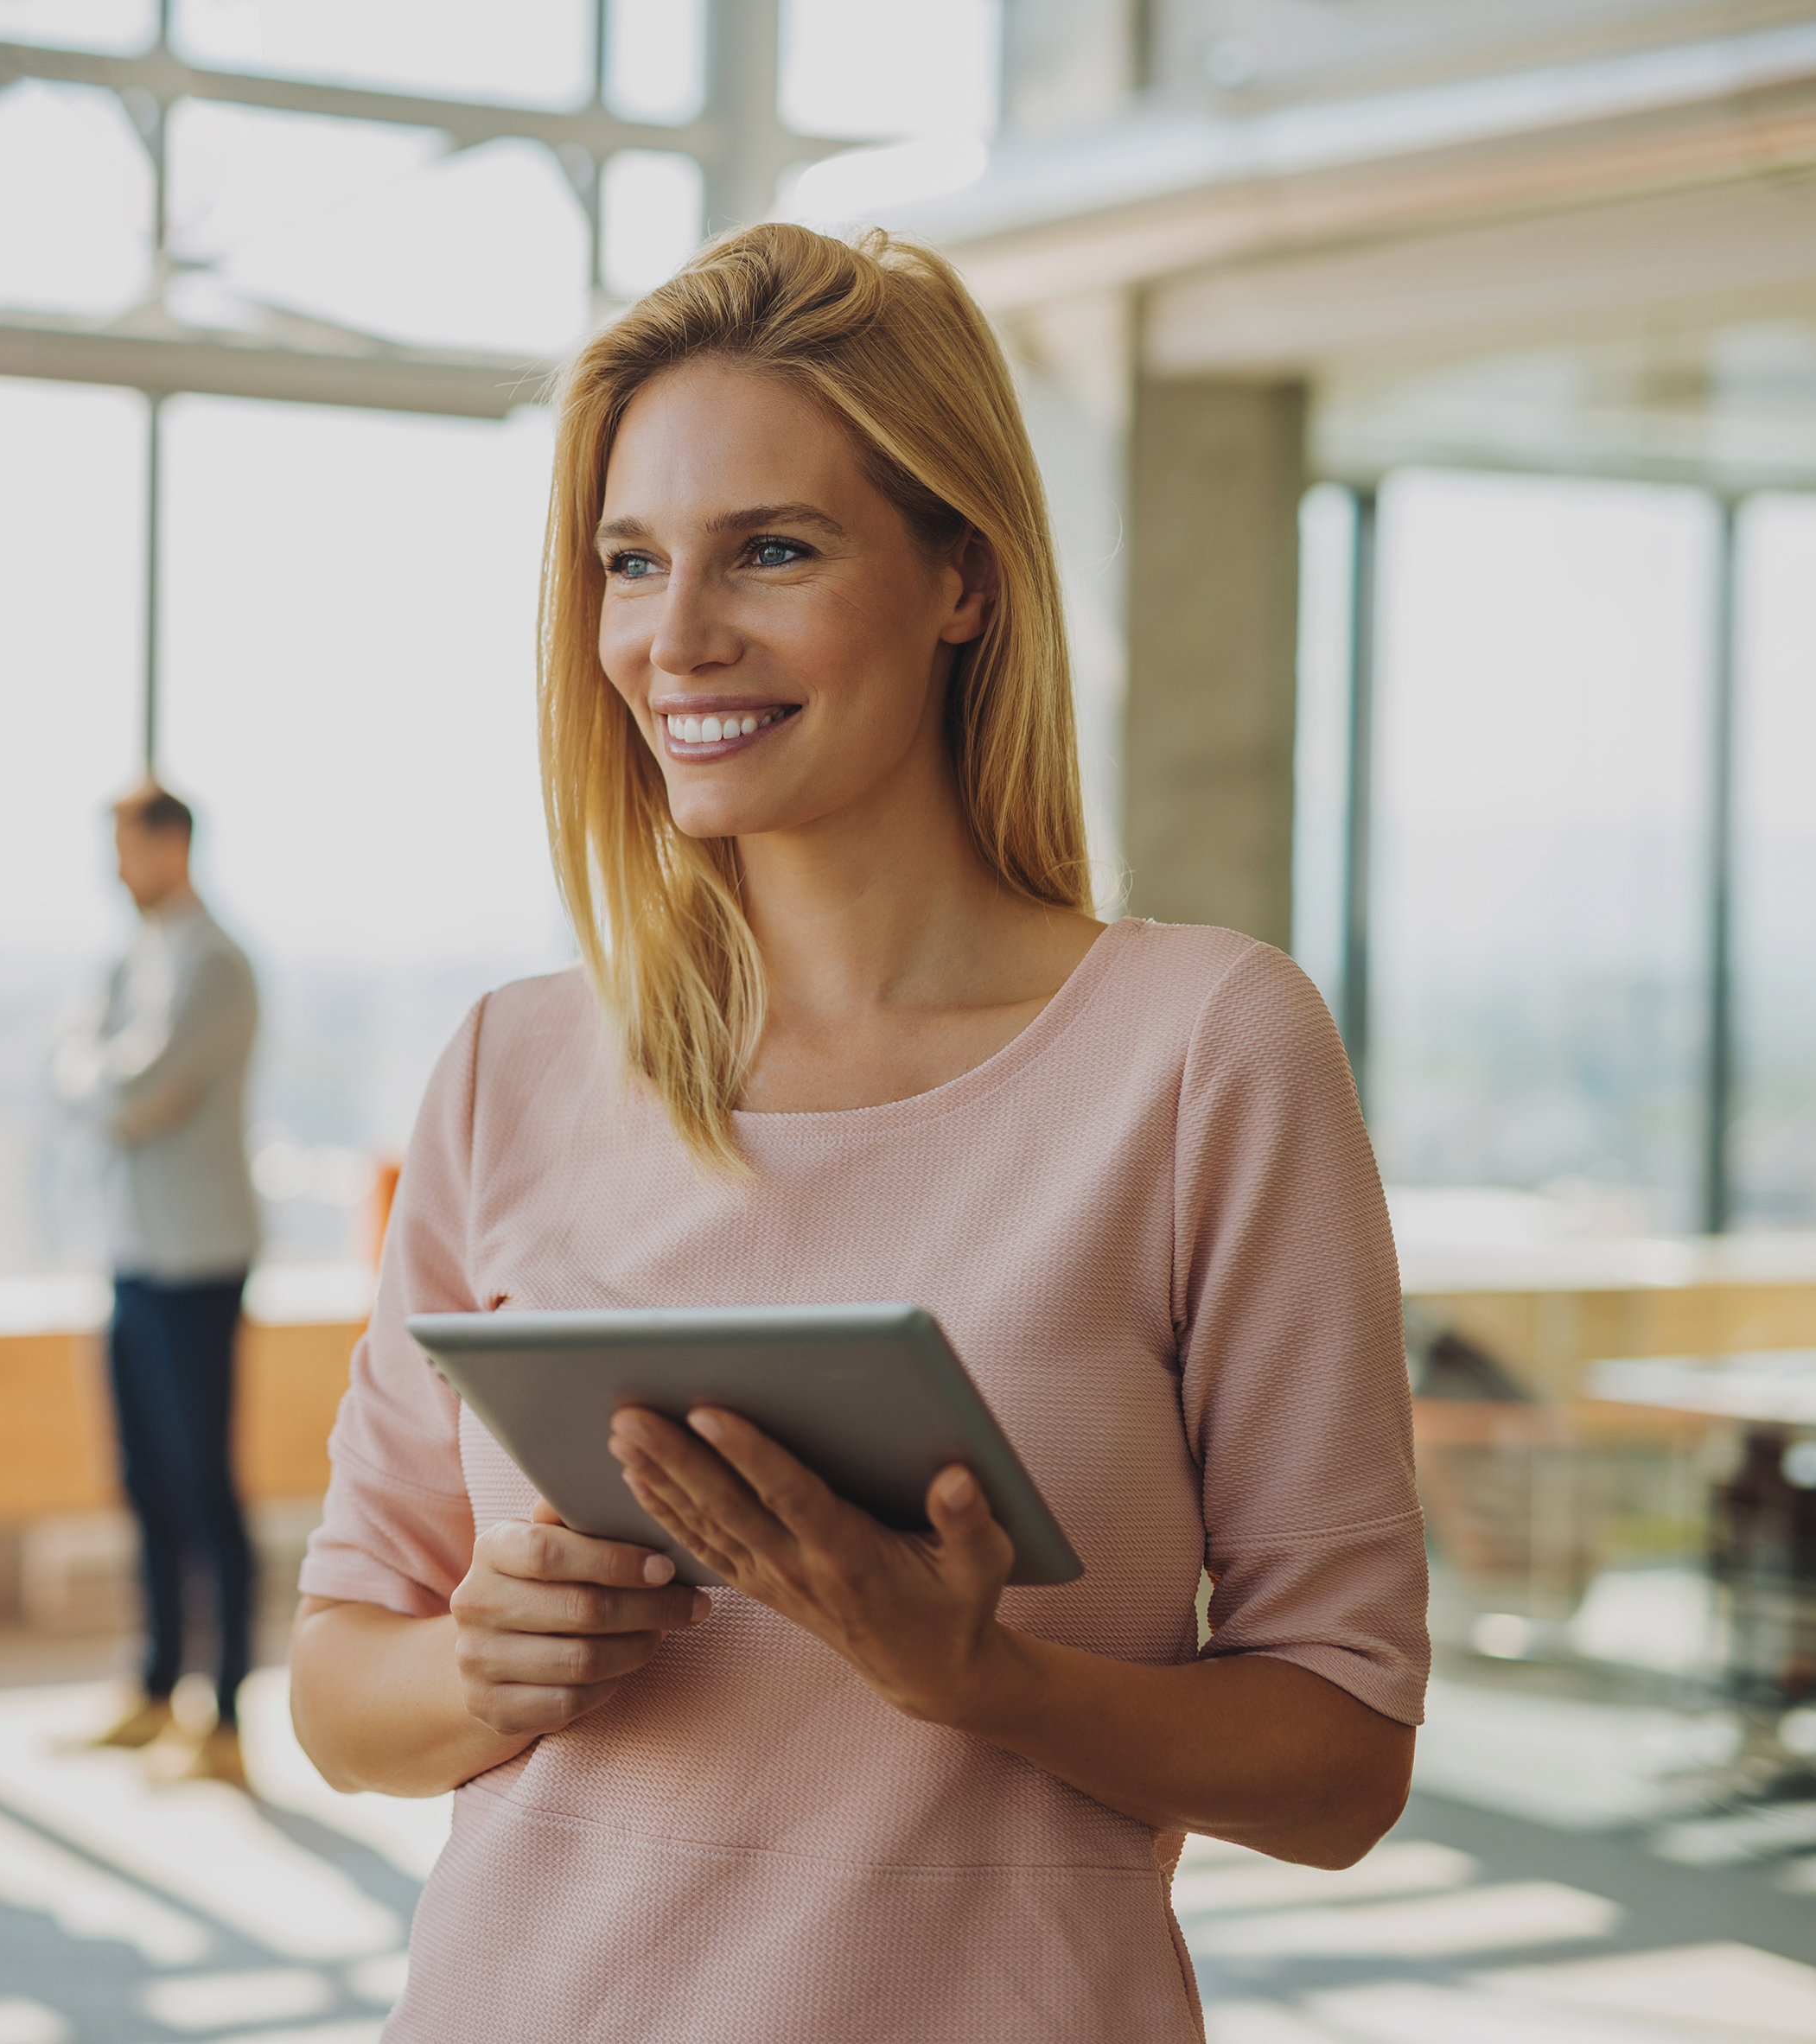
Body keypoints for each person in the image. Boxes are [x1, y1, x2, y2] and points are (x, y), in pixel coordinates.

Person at [287, 224, 1428, 2040]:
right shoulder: (511, 1063)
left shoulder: (1201, 1050)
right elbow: (340, 1688)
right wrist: (483, 1666)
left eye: (772, 549)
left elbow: (1342, 1763)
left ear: (960, 577)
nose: (675, 637)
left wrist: (981, 1677)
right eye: (630, 561)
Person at [54, 784, 264, 1790]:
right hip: (133, 1250)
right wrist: (106, 1082)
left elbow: (136, 1092)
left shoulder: (216, 963)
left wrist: (101, 1081)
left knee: (202, 1480)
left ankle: (222, 1716)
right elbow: (79, 1076)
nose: (113, 868)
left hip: (197, 1256)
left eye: (125, 847)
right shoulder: (130, 959)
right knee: (142, 1474)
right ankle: (153, 1687)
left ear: (172, 845)